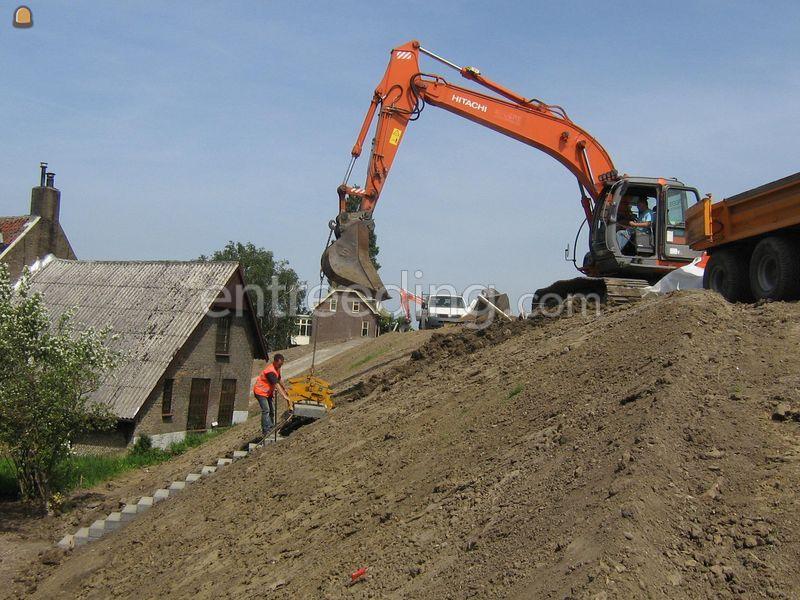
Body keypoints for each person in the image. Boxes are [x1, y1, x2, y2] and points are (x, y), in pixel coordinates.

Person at [253, 354, 290, 437]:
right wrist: (284, 396)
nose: (280, 366)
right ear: (275, 362)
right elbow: (276, 384)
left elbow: (279, 379)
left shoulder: (277, 368)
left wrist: (285, 388)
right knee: (266, 410)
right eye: (279, 364)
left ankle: (271, 427)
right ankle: (266, 430)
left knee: (272, 410)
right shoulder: (270, 371)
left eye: (281, 364)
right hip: (260, 392)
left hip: (267, 393)